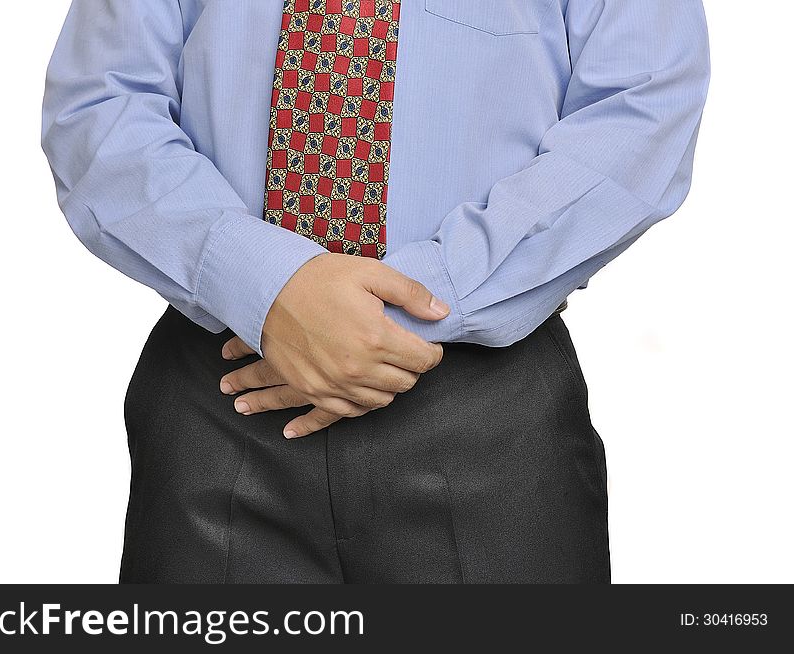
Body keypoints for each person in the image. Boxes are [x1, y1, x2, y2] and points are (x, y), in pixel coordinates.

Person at [42, 0, 710, 583]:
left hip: (487, 405)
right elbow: (100, 106)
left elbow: (641, 107)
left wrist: (406, 300)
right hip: (223, 392)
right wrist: (266, 284)